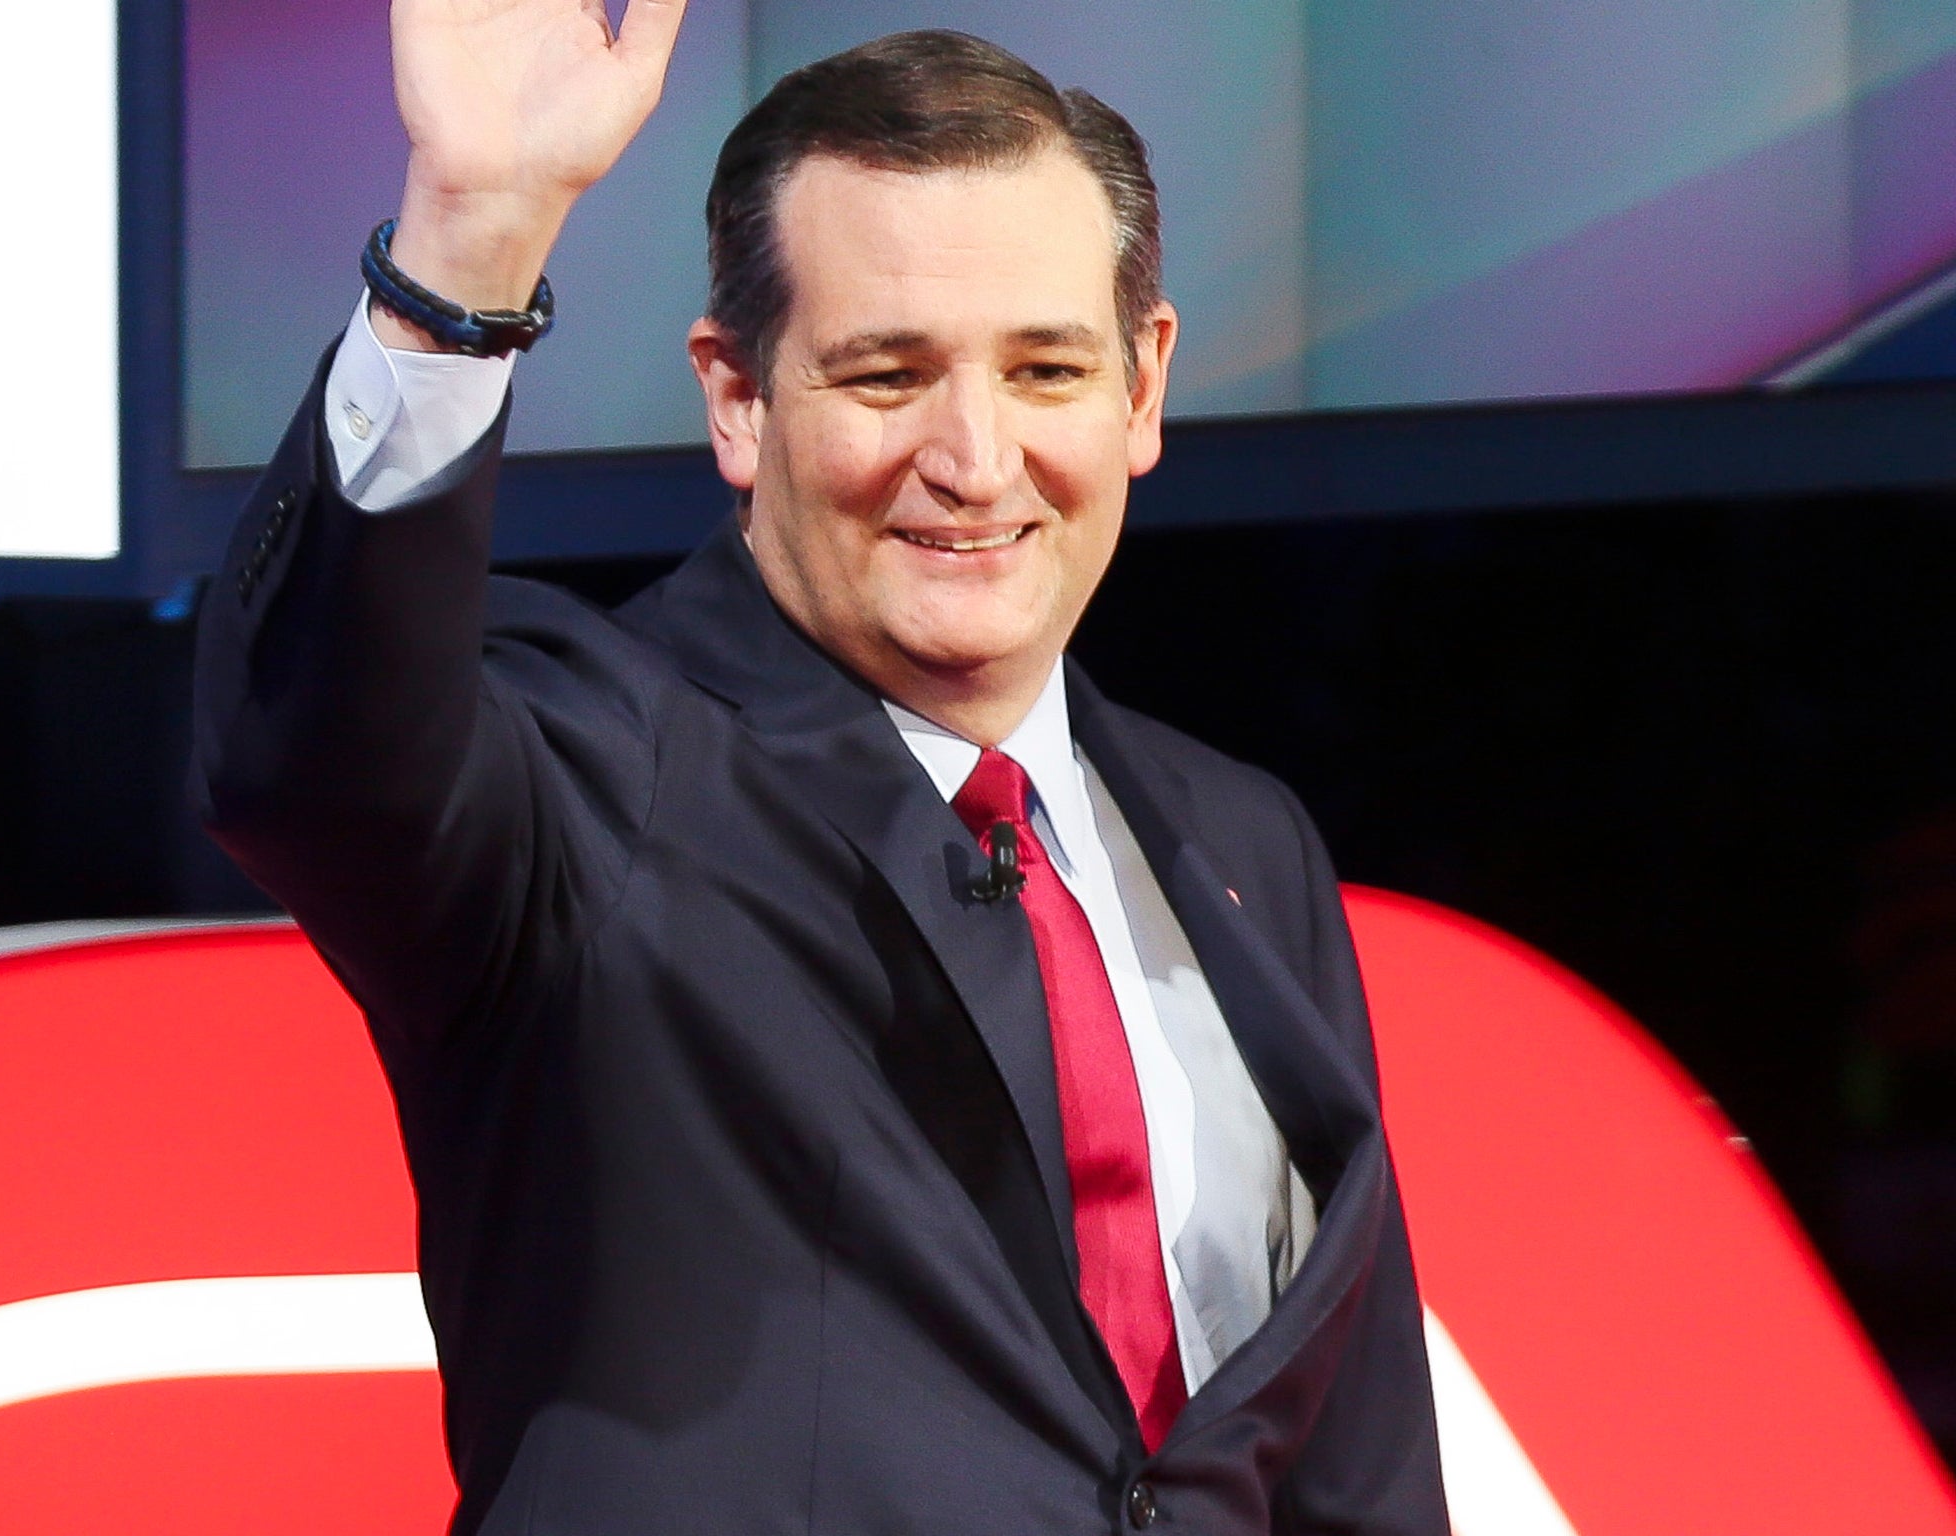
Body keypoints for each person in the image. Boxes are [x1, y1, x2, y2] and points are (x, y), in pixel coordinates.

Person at [192, 3, 1448, 1531]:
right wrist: (470, 240)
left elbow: (1351, 1466)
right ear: (736, 396)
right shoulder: (585, 788)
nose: (976, 459)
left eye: (1047, 370)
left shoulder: (1241, 843)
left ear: (1143, 386)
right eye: (883, 375)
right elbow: (320, 759)